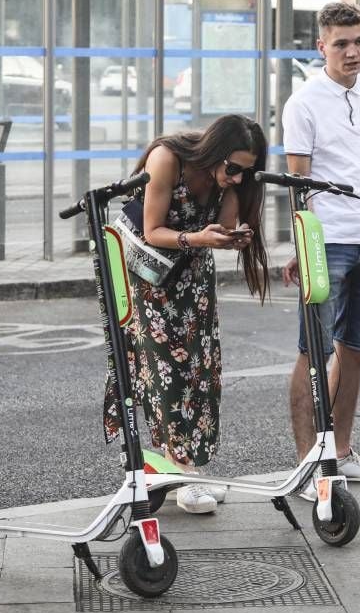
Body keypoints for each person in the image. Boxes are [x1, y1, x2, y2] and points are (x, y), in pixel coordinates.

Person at [103, 114, 270, 514]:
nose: (236, 178)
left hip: (192, 281)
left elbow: (223, 224)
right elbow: (153, 228)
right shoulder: (168, 159)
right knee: (169, 376)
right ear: (214, 151)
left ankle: (189, 467)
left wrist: (234, 235)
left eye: (246, 173)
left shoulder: (230, 178)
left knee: (202, 373)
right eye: (232, 168)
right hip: (148, 280)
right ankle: (181, 476)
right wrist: (197, 237)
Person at [281, 1, 360, 500]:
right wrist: (301, 245)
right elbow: (297, 183)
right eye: (341, 44)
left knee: (355, 349)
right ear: (321, 46)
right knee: (313, 351)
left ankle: (344, 453)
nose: (352, 52)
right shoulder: (304, 103)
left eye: (358, 42)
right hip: (327, 240)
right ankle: (307, 465)